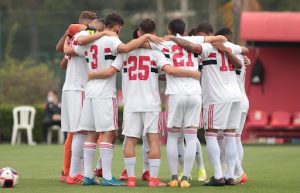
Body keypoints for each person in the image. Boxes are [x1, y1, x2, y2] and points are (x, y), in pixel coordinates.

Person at [88, 18, 200, 187]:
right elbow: (169, 70)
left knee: (131, 140)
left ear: (139, 33)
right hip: (151, 104)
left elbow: (111, 71)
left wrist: (91, 75)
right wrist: (192, 73)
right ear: (154, 34)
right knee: (153, 140)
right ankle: (153, 179)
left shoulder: (125, 53)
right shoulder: (156, 53)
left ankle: (131, 179)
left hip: (131, 104)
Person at [66, 12, 162, 186]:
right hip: (105, 93)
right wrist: (147, 36)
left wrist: (71, 40)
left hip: (90, 92)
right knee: (108, 133)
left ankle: (88, 176)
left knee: (91, 133)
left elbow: (73, 48)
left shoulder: (90, 40)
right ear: (117, 27)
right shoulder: (112, 40)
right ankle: (108, 177)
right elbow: (125, 49)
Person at [169, 21, 248, 186]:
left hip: (216, 98)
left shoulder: (207, 47)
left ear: (204, 34)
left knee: (210, 135)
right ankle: (230, 176)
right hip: (235, 97)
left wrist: (174, 39)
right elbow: (244, 54)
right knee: (231, 136)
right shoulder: (230, 45)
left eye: (199, 36)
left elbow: (191, 46)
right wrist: (228, 50)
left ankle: (218, 176)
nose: (198, 39)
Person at [148, 18, 224, 188]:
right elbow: (218, 39)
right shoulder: (195, 40)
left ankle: (175, 176)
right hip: (195, 93)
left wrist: (156, 37)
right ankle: (186, 178)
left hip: (176, 94)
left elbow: (143, 44)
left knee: (173, 137)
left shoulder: (163, 44)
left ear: (169, 30)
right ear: (185, 30)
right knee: (191, 137)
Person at [57, 11, 98, 183]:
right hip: (79, 88)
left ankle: (73, 172)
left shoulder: (74, 38)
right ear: (88, 23)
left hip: (70, 88)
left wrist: (68, 38)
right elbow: (65, 53)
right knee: (81, 132)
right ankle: (74, 173)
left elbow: (64, 60)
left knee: (76, 132)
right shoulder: (86, 36)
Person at [215, 27, 250, 184]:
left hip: (230, 99)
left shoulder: (222, 53)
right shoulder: (241, 54)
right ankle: (236, 171)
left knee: (228, 139)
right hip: (242, 99)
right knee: (236, 138)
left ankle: (237, 171)